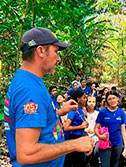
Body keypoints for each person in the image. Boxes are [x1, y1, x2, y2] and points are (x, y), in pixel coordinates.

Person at [3, 27, 94, 167]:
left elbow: (30, 119)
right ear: (40, 51)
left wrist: (59, 112)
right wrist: (74, 144)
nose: (58, 58)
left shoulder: (28, 79)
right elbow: (26, 154)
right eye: (56, 52)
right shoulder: (29, 90)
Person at [94, 90, 126, 167]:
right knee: (105, 165)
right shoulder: (103, 112)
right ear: (107, 101)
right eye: (109, 99)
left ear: (118, 99)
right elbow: (95, 129)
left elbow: (123, 131)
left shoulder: (121, 112)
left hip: (117, 143)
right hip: (105, 142)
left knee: (115, 165)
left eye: (114, 98)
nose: (112, 101)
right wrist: (100, 136)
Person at [63, 90, 89, 167]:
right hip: (73, 138)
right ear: (78, 99)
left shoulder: (80, 109)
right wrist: (81, 126)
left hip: (79, 137)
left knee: (81, 162)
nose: (85, 100)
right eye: (84, 98)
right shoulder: (73, 110)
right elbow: (66, 127)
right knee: (75, 162)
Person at [85, 96, 100, 167]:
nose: (91, 104)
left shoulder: (98, 113)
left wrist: (95, 131)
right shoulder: (83, 114)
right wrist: (86, 130)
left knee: (95, 153)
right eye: (89, 101)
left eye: (93, 102)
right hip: (85, 136)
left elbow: (101, 125)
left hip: (96, 137)